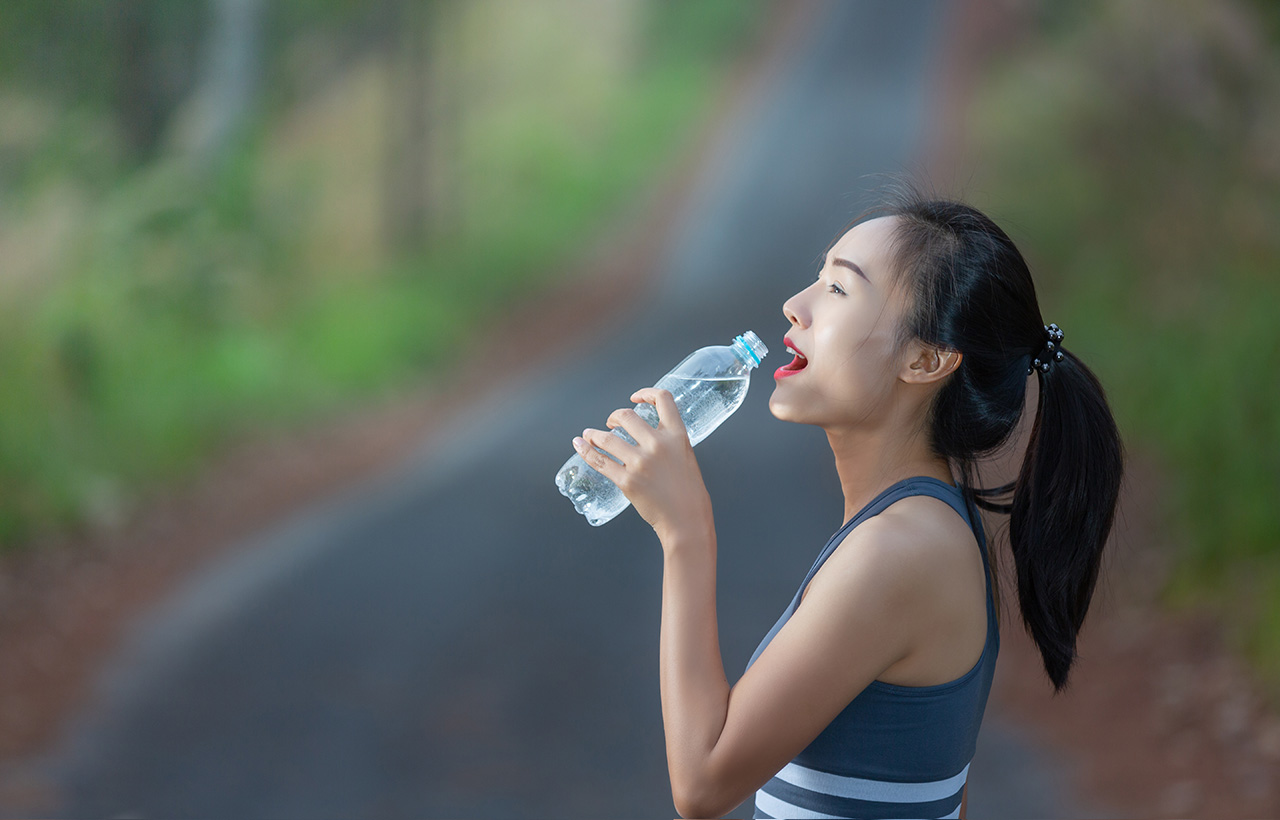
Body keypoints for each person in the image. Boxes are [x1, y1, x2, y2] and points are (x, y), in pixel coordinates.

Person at [570, 188, 1124, 820]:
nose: (794, 306)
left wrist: (685, 533)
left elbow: (701, 784)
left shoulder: (902, 550)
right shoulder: (918, 530)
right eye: (818, 276)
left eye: (837, 289)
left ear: (926, 359)